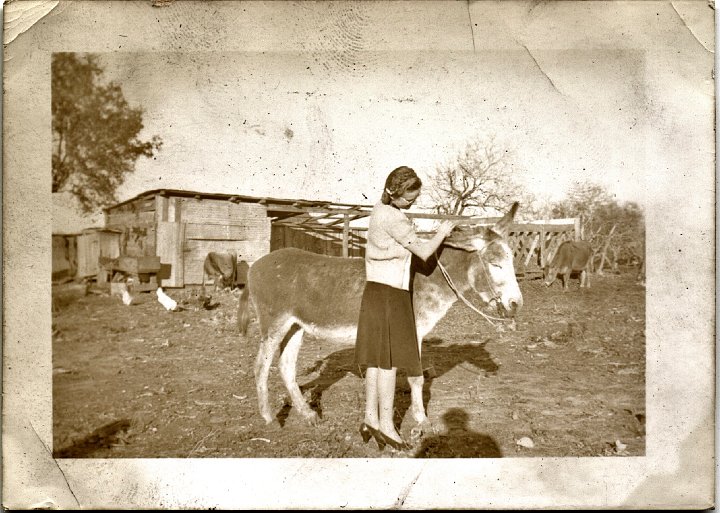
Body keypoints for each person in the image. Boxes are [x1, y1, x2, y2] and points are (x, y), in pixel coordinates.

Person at [354, 166, 456, 451]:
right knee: (388, 364)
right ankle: (387, 426)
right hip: (391, 295)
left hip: (374, 292)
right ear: (395, 192)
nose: (413, 201)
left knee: (376, 361)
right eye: (410, 197)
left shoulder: (378, 210)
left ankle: (370, 419)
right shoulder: (395, 218)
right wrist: (442, 233)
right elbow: (423, 252)